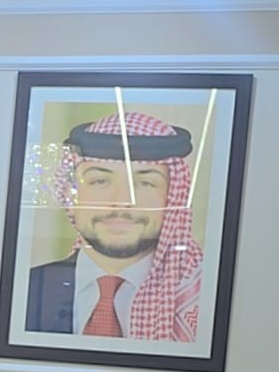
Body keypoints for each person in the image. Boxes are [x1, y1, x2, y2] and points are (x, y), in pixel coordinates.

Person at [25, 112, 204, 341]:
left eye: (145, 183)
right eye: (100, 181)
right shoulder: (25, 290)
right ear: (70, 197)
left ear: (172, 198)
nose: (122, 201)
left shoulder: (202, 296)